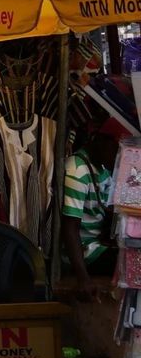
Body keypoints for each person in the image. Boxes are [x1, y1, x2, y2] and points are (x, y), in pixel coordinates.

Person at [62, 126, 118, 301]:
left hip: (101, 243)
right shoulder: (77, 171)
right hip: (88, 252)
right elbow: (70, 227)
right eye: (116, 150)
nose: (119, 158)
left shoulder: (103, 166)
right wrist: (83, 278)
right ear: (102, 142)